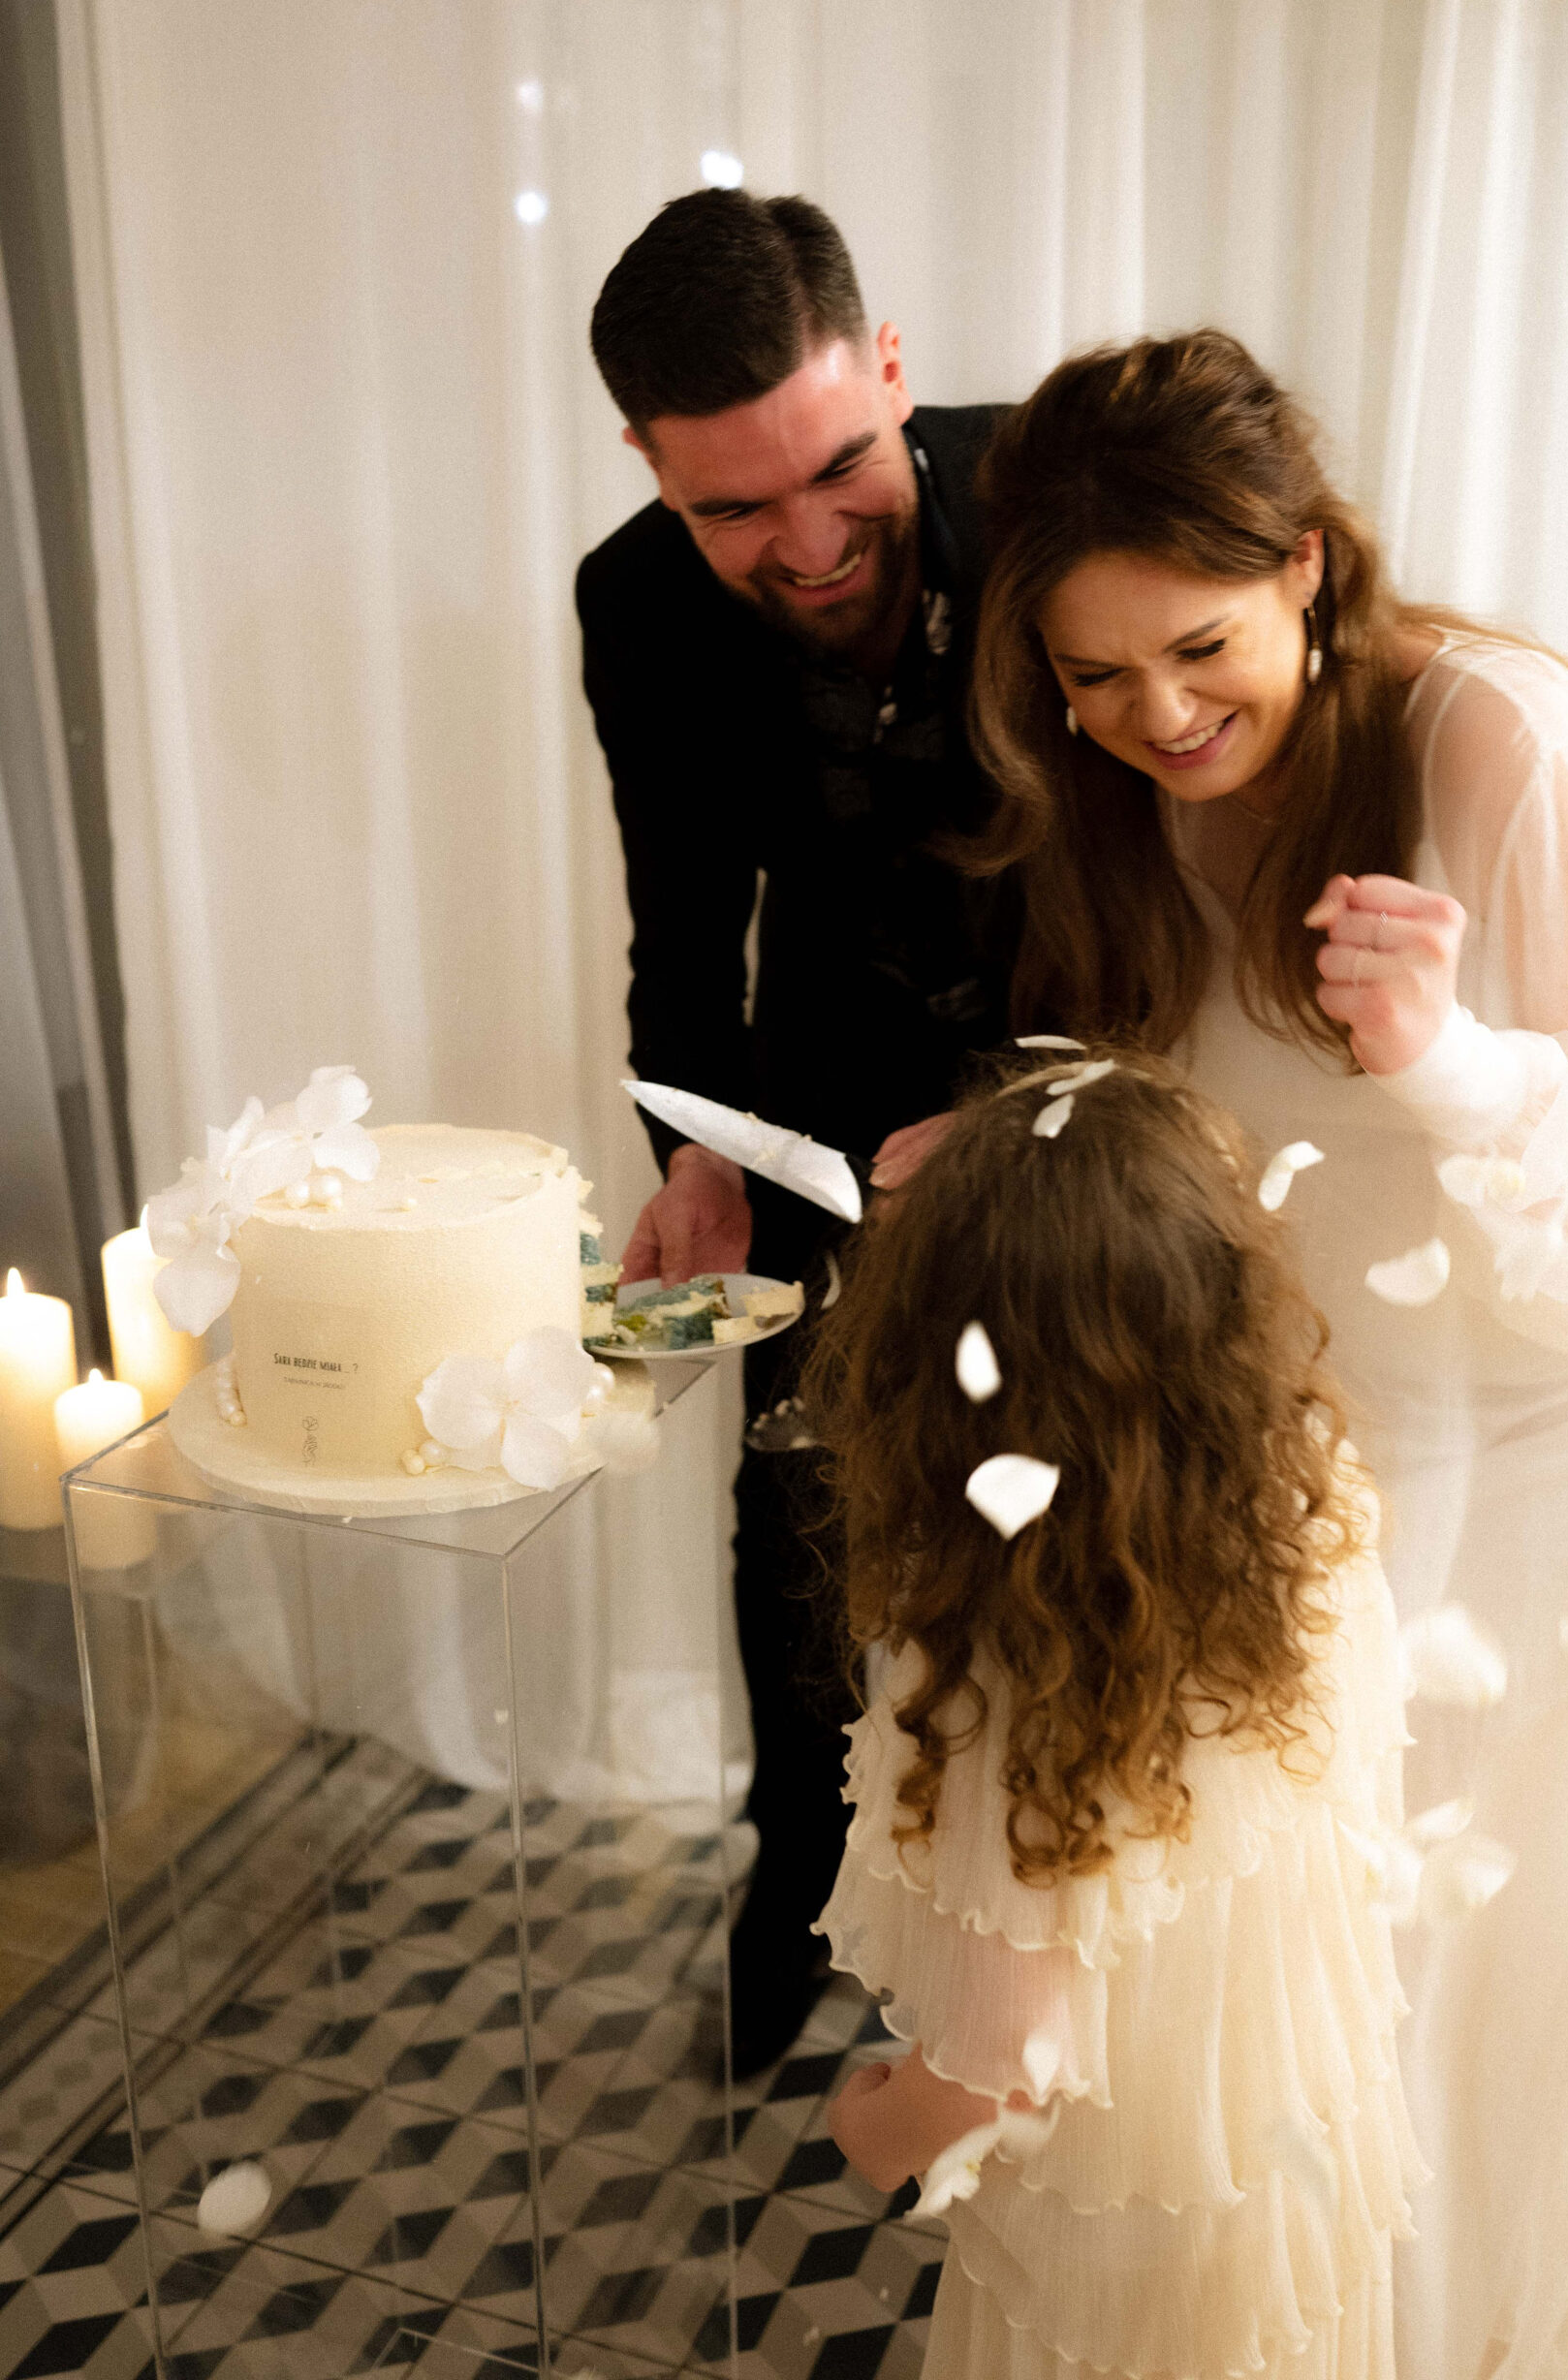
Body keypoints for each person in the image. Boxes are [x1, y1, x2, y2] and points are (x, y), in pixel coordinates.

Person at [875, 328, 1568, 2377]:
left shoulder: (1502, 746)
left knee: (1454, 1986)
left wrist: (1459, 1063)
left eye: (1201, 647)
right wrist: (1025, 1143)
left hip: (1548, 1471)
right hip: (1291, 1455)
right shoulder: (1114, 790)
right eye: (1094, 673)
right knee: (1286, 1979)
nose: (1156, 716)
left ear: (1307, 563)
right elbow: (1194, 1099)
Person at [578, 188, 1019, 2074]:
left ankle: (1016, 1950)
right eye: (736, 510)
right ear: (648, 464)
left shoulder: (1056, 491)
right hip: (815, 1111)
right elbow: (684, 928)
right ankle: (798, 1876)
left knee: (1056, 1537)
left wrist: (1042, 1118)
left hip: (1080, 1081)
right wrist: (694, 1147)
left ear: (892, 368)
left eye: (840, 467)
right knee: (800, 1531)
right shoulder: (631, 600)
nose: (812, 542)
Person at [806, 1045, 1420, 2377]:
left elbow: (1005, 2063)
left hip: (1125, 2255)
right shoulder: (1306, 1502)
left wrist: (877, 2130)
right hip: (1288, 2164)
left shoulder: (1019, 1675)